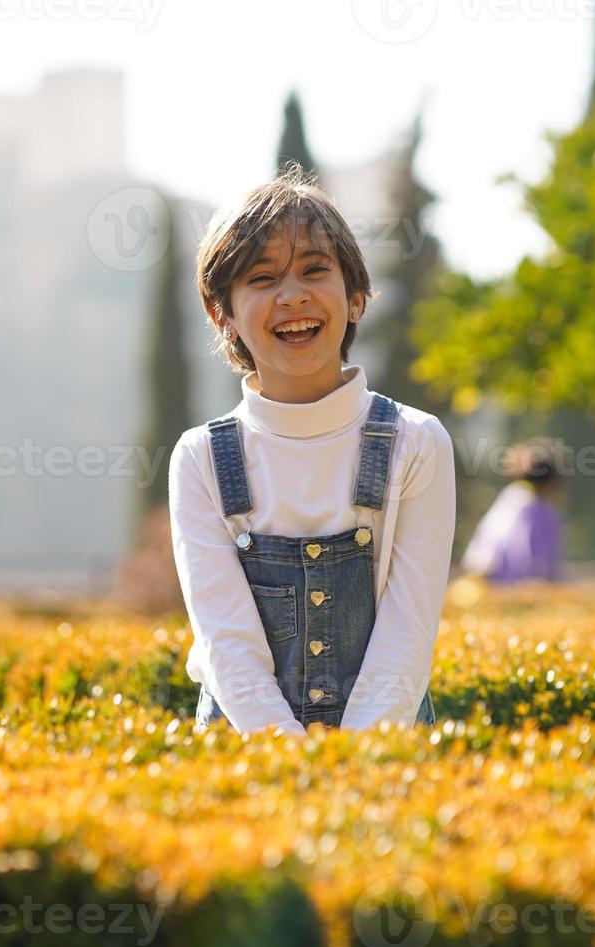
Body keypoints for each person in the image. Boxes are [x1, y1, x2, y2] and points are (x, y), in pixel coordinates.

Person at [168, 165, 456, 736]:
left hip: (385, 745)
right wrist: (291, 765)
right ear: (220, 314)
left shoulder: (416, 442)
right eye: (262, 278)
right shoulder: (199, 457)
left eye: (314, 270)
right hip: (241, 749)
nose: (292, 295)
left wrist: (352, 766)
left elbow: (408, 632)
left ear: (355, 298)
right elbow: (229, 645)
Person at [460, 439, 563, 583]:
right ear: (551, 484)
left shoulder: (508, 500)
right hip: (511, 590)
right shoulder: (538, 512)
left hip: (482, 584)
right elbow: (537, 568)